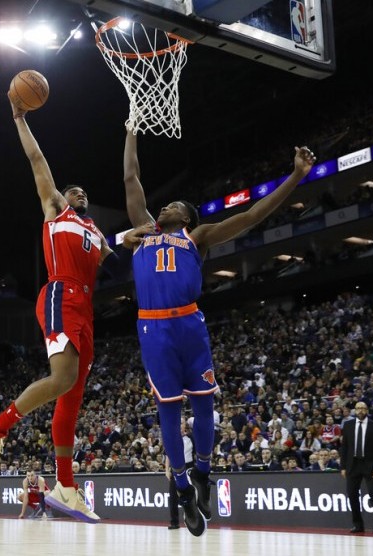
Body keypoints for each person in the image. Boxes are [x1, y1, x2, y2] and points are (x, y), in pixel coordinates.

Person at [121, 129, 314, 535]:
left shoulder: (198, 236)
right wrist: (131, 133)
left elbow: (250, 217)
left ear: (186, 218)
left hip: (189, 323)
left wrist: (295, 177)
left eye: (174, 205)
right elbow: (131, 179)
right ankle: (183, 490)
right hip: (152, 328)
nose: (164, 206)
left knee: (205, 405)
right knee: (168, 414)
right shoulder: (141, 231)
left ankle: (204, 475)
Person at [0, 92, 122, 524]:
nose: (75, 192)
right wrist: (20, 119)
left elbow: (124, 267)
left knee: (71, 398)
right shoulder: (57, 210)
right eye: (71, 188)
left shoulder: (98, 235)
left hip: (86, 308)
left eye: (81, 191)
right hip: (59, 294)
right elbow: (38, 161)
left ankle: (66, 486)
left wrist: (148, 238)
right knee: (61, 378)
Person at [339, 401, 373, 534]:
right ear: (354, 410)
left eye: (363, 408)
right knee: (352, 495)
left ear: (367, 410)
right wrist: (343, 466)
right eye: (358, 408)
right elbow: (344, 447)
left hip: (369, 465)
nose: (360, 411)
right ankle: (357, 524)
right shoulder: (347, 425)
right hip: (352, 465)